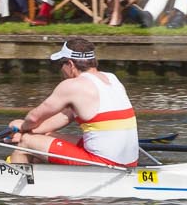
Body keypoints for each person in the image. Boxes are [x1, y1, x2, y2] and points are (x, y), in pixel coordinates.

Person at [8, 37, 139, 167]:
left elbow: (34, 117)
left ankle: (11, 181)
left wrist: (22, 128)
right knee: (47, 136)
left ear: (70, 64)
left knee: (26, 142)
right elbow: (64, 118)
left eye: (61, 64)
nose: (61, 70)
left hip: (104, 163)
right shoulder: (112, 78)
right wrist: (32, 130)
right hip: (130, 162)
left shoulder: (72, 86)